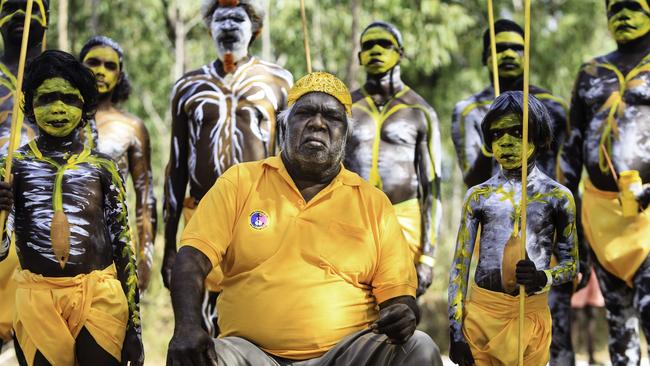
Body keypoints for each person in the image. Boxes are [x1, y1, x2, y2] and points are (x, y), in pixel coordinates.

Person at [166, 72, 442, 366]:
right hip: (249, 355)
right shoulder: (240, 182)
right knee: (194, 356)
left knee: (419, 348)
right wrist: (186, 326)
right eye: (306, 112)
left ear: (346, 135)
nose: (318, 123)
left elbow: (399, 297)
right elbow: (192, 259)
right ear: (285, 124)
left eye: (332, 117)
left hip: (346, 355)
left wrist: (402, 313)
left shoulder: (373, 203)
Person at [450, 19, 587, 365]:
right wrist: (454, 328)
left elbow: (571, 264)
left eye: (517, 132)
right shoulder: (478, 197)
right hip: (482, 315)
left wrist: (544, 277)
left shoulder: (559, 197)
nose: (507, 142)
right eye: (497, 135)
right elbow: (459, 268)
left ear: (539, 137)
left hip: (533, 318)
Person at [0, 50, 143, 366]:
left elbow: (124, 246)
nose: (58, 108)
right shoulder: (12, 167)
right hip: (37, 299)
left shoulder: (102, 168)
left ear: (86, 107)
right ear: (31, 106)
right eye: (47, 97)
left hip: (100, 298)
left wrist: (135, 328)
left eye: (69, 98)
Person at [161, 0, 292, 336]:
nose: (229, 25)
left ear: (256, 28)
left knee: (260, 303)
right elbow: (176, 166)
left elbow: (291, 157)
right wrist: (169, 248)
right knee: (203, 308)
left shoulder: (279, 82)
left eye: (238, 17)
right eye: (221, 18)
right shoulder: (187, 87)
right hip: (202, 209)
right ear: (209, 29)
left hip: (260, 211)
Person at [559, 0, 650, 364]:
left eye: (632, 6)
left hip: (648, 216)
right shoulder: (591, 72)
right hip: (600, 215)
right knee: (619, 323)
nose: (622, 15)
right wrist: (569, 223)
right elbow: (572, 147)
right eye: (614, 9)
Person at [344, 21, 441, 298]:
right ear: (360, 57)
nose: (375, 50)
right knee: (350, 305)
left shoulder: (419, 111)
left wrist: (428, 258)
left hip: (405, 219)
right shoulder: (345, 108)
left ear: (400, 52)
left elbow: (432, 189)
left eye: (384, 44)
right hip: (352, 218)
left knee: (401, 307)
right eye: (368, 46)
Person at [79, 36, 157, 292]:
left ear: (119, 75)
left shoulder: (131, 127)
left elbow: (145, 196)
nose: (101, 71)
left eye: (110, 66)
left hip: (114, 245)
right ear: (79, 66)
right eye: (93, 62)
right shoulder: (56, 118)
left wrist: (144, 258)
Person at [0, 0, 48, 350]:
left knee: (39, 344)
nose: (21, 16)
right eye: (11, 6)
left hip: (47, 232)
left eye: (30, 6)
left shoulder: (60, 78)